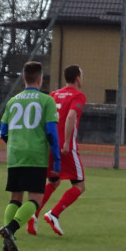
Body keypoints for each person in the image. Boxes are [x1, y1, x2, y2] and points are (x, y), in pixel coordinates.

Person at [0, 61, 61, 251]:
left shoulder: (12, 101)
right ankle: (11, 229)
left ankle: (8, 237)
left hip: (15, 154)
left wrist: (14, 145)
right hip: (35, 155)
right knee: (35, 199)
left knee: (15, 197)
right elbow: (51, 132)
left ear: (24, 78)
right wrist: (56, 159)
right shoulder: (47, 100)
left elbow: (3, 132)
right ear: (40, 79)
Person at [27, 65, 87, 237]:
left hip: (48, 145)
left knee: (53, 181)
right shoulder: (78, 95)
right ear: (77, 78)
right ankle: (54, 214)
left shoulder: (53, 95)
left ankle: (34, 213)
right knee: (79, 185)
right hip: (64, 147)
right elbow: (71, 116)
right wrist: (67, 142)